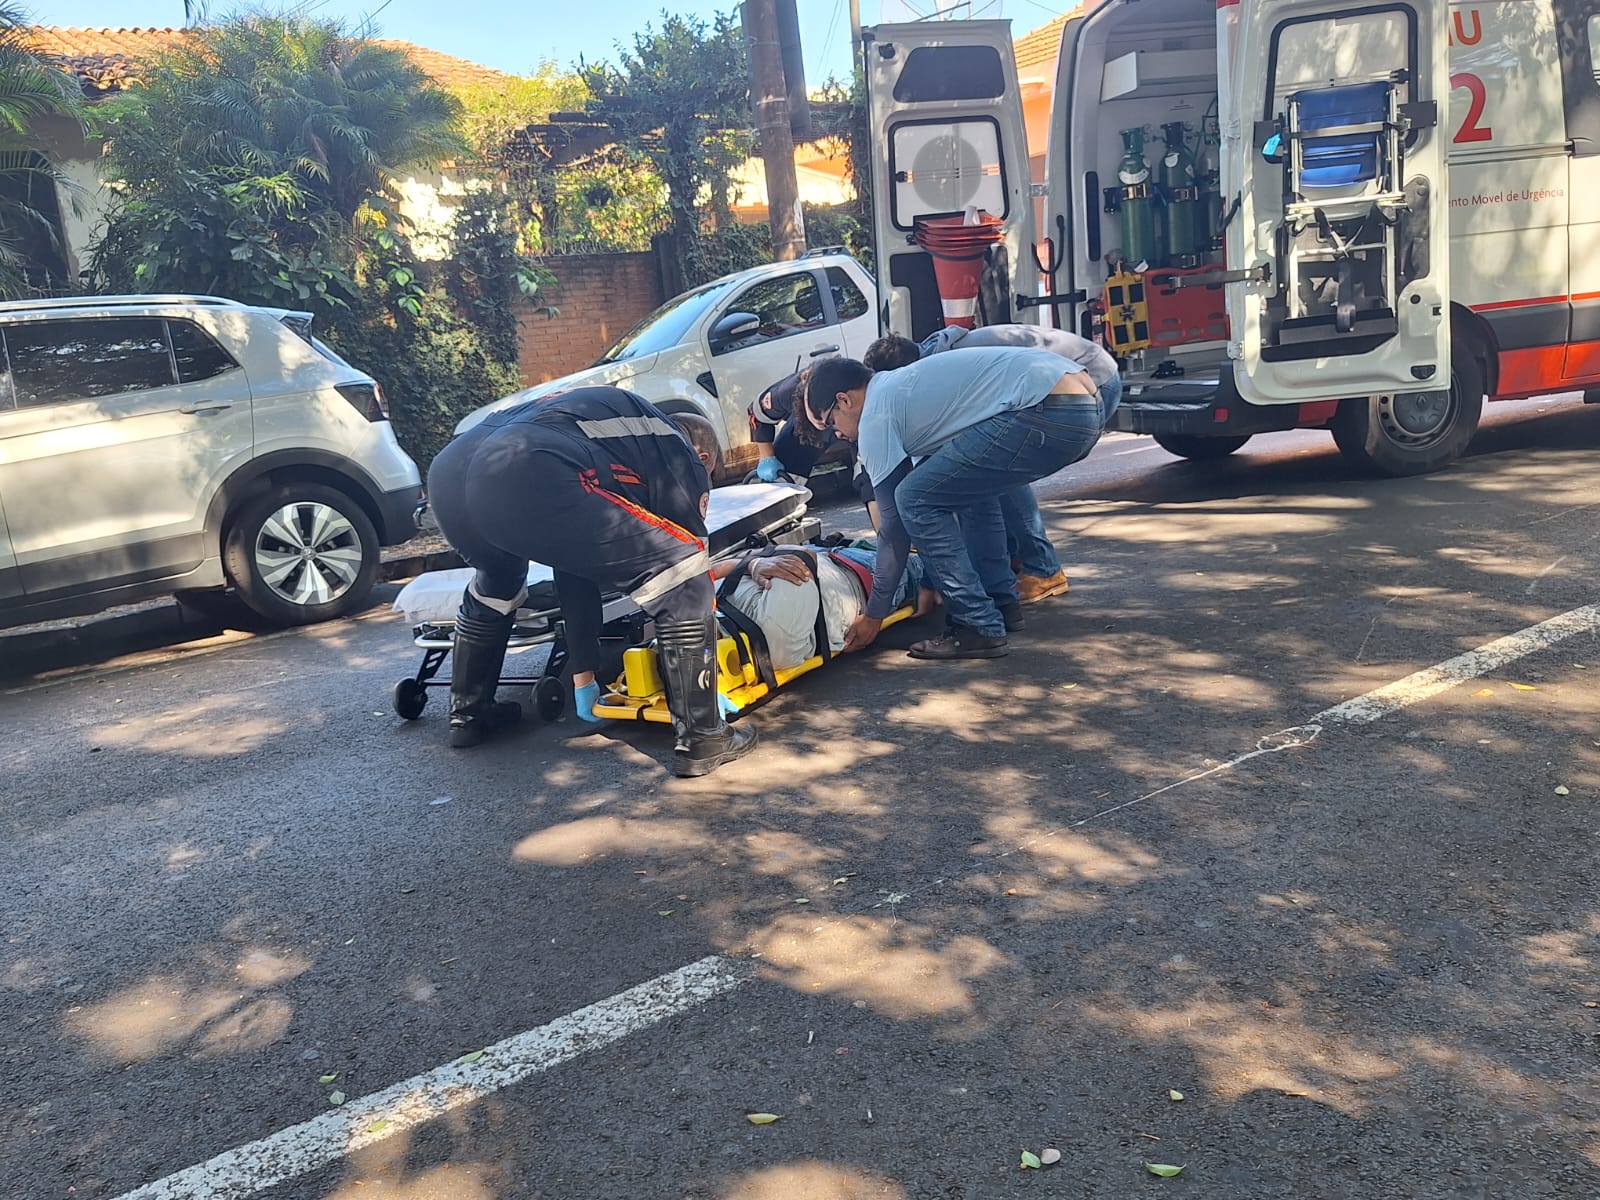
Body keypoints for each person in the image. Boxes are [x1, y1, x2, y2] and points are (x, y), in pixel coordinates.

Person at [425, 387, 757, 777]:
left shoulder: (613, 434)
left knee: (498, 582)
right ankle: (704, 736)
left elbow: (575, 561)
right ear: (704, 459)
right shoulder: (680, 452)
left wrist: (584, 671)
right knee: (685, 576)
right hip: (525, 467)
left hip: (449, 475)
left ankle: (468, 715)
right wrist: (705, 675)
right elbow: (686, 570)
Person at [802, 346, 1114, 661]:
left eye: (831, 423)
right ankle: (1000, 602)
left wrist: (874, 615)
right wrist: (929, 580)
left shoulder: (875, 416)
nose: (837, 435)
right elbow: (946, 491)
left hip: (1049, 408)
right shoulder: (906, 393)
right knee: (969, 492)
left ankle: (975, 624)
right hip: (1087, 403)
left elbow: (895, 529)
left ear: (844, 400)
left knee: (912, 498)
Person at [864, 324, 1123, 603]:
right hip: (1075, 378)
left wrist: (932, 578)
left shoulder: (939, 370)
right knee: (988, 471)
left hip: (1090, 379)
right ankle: (1011, 565)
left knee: (997, 471)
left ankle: (1043, 569)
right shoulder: (938, 357)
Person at [717, 543, 932, 671]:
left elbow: (712, 567)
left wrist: (751, 564)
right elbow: (801, 559)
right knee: (933, 563)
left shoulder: (706, 601)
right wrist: (750, 562)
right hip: (866, 574)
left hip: (830, 560)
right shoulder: (774, 632)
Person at [749, 368, 879, 527]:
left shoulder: (858, 394)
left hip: (854, 422)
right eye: (827, 424)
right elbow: (756, 412)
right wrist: (767, 457)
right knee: (780, 483)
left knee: (872, 480)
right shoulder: (786, 392)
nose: (838, 434)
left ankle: (886, 535)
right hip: (809, 431)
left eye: (831, 422)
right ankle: (775, 533)